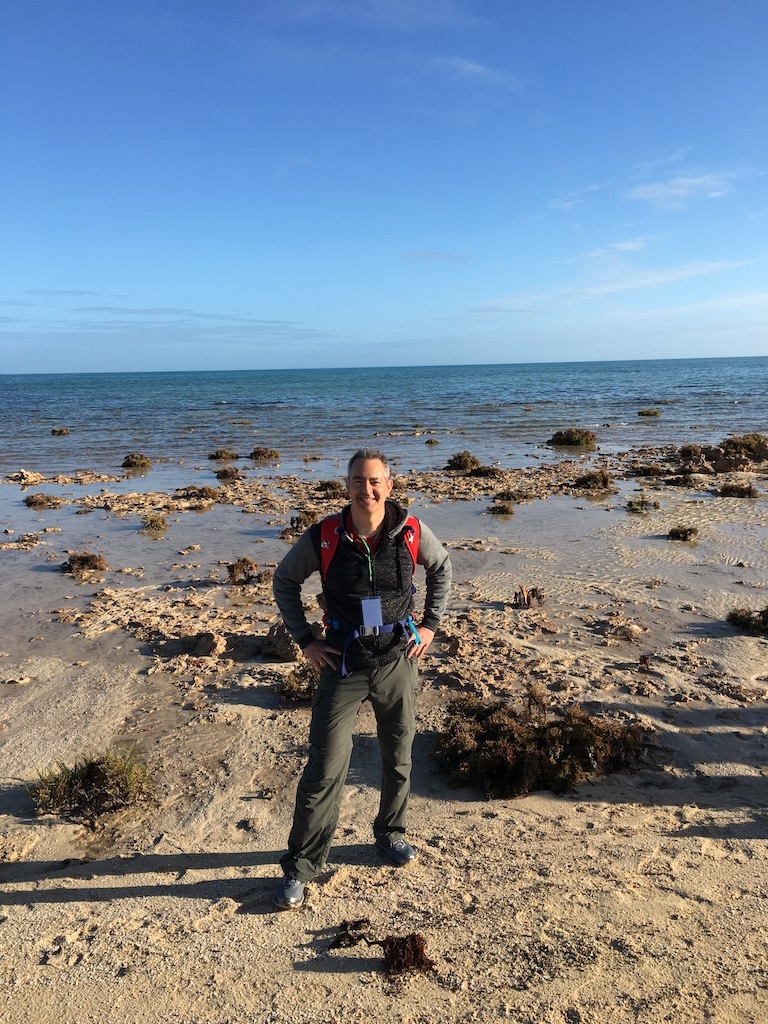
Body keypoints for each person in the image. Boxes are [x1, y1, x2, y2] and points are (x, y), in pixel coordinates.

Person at [272, 447, 452, 909]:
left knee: (398, 754)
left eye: (375, 482)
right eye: (357, 481)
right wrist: (305, 640)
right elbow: (284, 580)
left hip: (397, 660)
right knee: (325, 765)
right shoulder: (326, 536)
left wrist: (430, 624)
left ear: (390, 486)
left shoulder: (410, 531)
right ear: (346, 486)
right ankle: (302, 865)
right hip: (343, 663)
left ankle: (390, 834)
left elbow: (442, 568)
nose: (366, 490)